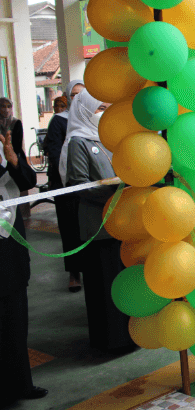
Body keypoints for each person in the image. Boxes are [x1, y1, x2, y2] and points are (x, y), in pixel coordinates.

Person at [62, 90, 134, 352]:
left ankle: (127, 336)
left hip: (120, 223)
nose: (104, 113)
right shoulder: (78, 142)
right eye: (99, 108)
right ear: (84, 111)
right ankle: (109, 341)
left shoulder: (110, 138)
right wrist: (115, 193)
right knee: (103, 284)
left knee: (122, 282)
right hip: (98, 226)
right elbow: (78, 184)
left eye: (107, 108)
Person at [0, 126, 48, 410]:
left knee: (16, 319)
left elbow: (28, 181)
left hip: (11, 246)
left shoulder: (6, 149)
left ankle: (21, 384)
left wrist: (13, 159)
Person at [50, 81, 86, 293]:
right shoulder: (59, 121)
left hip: (88, 184)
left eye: (82, 94)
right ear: (67, 97)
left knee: (87, 228)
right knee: (70, 230)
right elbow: (55, 154)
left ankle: (89, 268)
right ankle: (74, 273)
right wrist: (70, 177)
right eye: (73, 94)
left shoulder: (91, 116)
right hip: (66, 185)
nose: (78, 98)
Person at [44, 95, 68, 190]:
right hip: (56, 164)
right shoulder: (55, 120)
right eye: (56, 106)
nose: (59, 109)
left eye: (62, 106)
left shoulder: (69, 120)